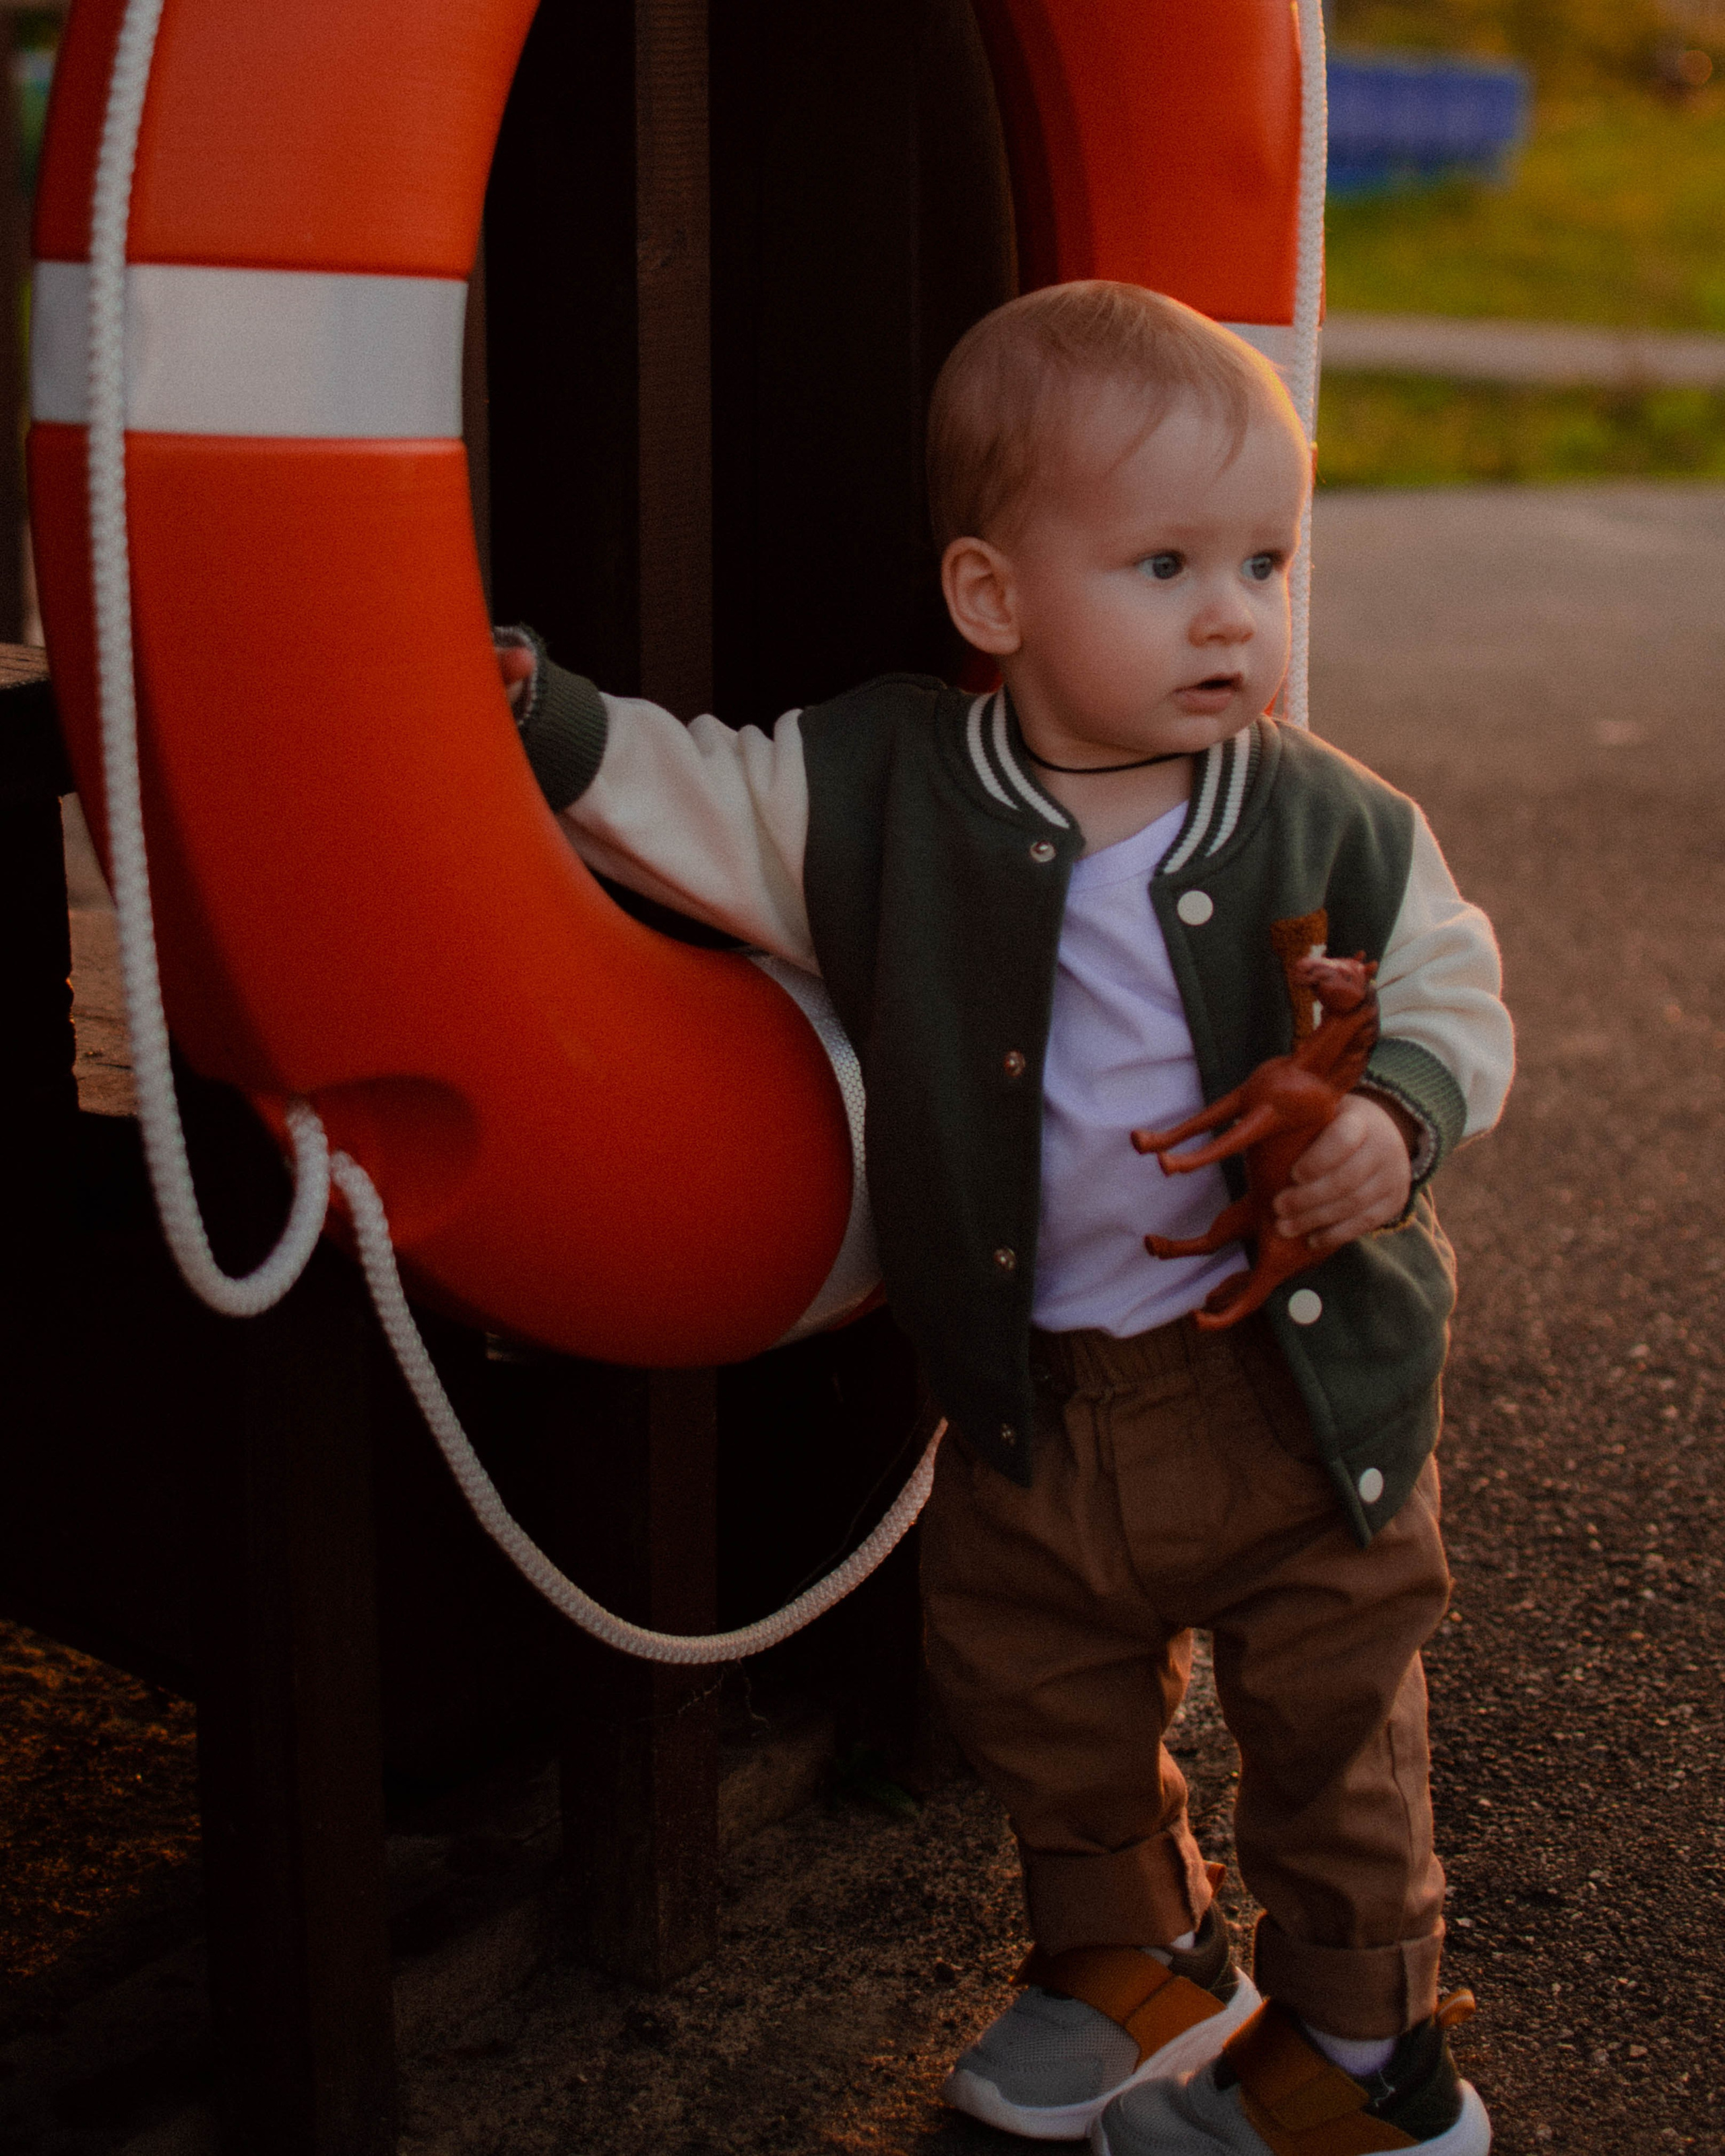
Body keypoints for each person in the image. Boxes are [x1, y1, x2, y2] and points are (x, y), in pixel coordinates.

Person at [498, 282, 1511, 2156]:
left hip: (1303, 1410)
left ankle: (1376, 2061)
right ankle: (1128, 1958)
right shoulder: (888, 790)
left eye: (1267, 561)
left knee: (1331, 1738)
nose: (1236, 611)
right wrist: (541, 718)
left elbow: (1454, 987)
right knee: (1032, 1689)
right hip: (1037, 1397)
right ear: (994, 600)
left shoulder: (1332, 818)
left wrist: (1395, 1117)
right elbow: (696, 795)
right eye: (1165, 562)